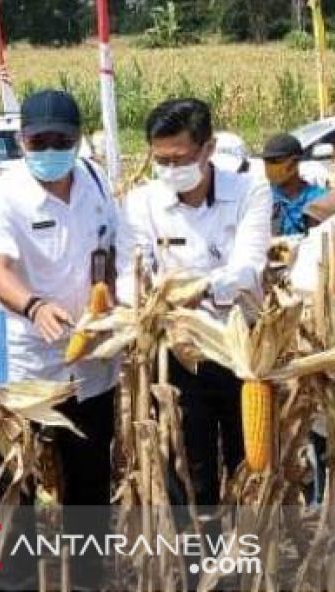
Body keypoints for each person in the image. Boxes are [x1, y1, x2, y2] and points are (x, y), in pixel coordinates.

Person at [0, 90, 120, 591]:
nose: (50, 148)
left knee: (89, 486)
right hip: (25, 367)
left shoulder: (97, 182)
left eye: (61, 139)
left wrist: (116, 305)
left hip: (92, 367)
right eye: (40, 140)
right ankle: (11, 582)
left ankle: (85, 579)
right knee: (15, 486)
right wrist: (34, 305)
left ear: (79, 139)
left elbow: (111, 250)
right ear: (22, 140)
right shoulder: (2, 195)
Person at [117, 99, 271, 515]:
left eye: (179, 158)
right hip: (177, 355)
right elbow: (127, 275)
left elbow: (249, 266)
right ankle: (196, 569)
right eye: (160, 159)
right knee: (189, 471)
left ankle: (248, 563)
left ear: (208, 148)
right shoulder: (142, 203)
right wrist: (146, 304)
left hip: (243, 350)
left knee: (249, 465)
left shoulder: (249, 190)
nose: (169, 169)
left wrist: (199, 289)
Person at [262, 132, 326, 236]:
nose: (270, 167)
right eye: (267, 161)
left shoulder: (319, 198)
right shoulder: (263, 197)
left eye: (276, 161)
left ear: (294, 163)